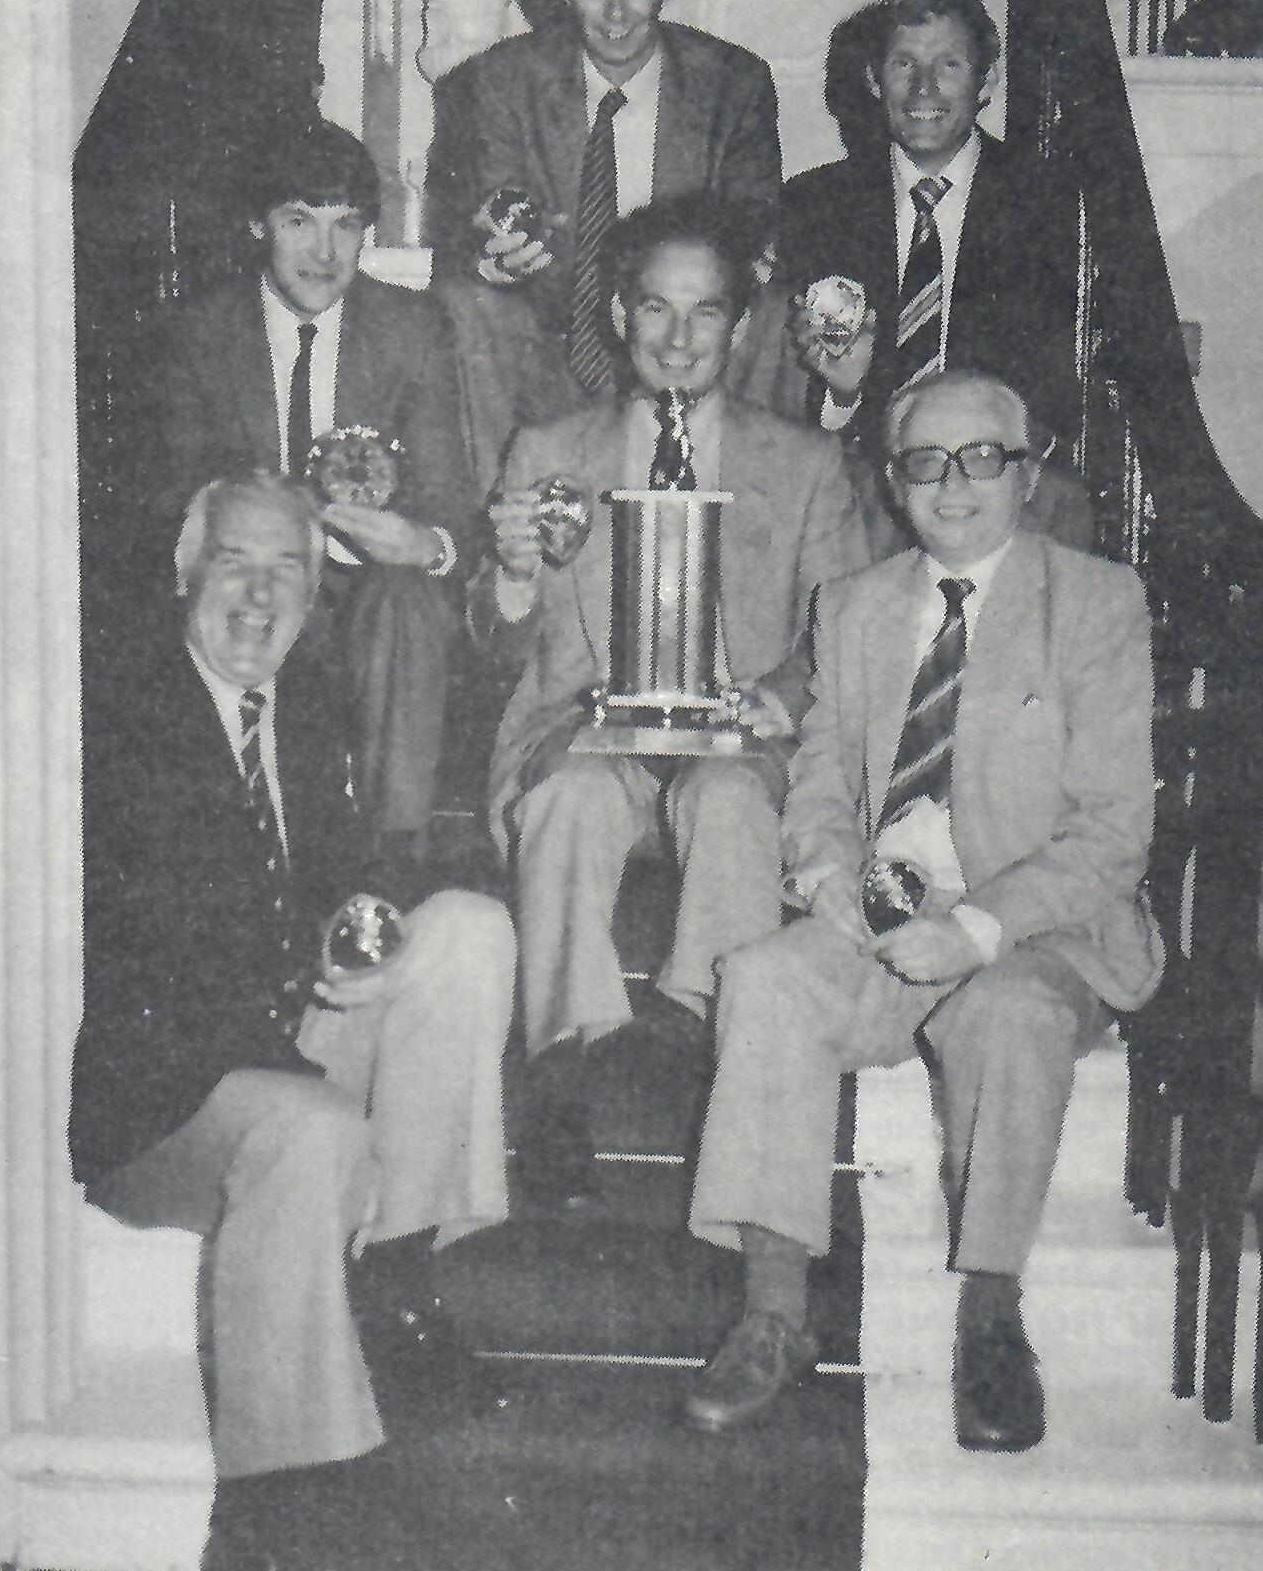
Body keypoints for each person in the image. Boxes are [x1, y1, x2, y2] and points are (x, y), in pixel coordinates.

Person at [684, 370, 1162, 1451]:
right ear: (894, 485)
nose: (953, 485)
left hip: (1039, 929)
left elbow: (1110, 833)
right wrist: (824, 874)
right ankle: (772, 1314)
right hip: (885, 913)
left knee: (1008, 1013)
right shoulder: (852, 606)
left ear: (1027, 475)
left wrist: (978, 929)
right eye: (924, 463)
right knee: (764, 980)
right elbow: (817, 779)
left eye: (982, 458)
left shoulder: (1096, 603)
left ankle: (991, 1317)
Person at [69, 473, 514, 1564]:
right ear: (186, 574)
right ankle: (277, 1496)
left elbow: (342, 874)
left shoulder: (301, 704)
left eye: (288, 572)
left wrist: (358, 928)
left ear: (317, 595)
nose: (261, 597)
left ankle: (395, 1270)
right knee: (311, 1127)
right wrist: (303, 970)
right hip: (165, 1100)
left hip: (279, 1035)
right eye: (236, 564)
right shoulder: (116, 714)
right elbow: (145, 942)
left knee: (464, 929)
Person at [468, 197, 867, 1204]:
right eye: (655, 308)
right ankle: (557, 1075)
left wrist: (780, 697)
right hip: (583, 726)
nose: (679, 337)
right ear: (618, 315)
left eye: (705, 312)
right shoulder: (548, 451)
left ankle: (704, 1043)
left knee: (730, 803)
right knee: (568, 799)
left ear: (742, 327)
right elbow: (498, 645)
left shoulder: (806, 465)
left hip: (736, 736)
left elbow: (848, 630)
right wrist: (511, 579)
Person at [163, 116, 474, 863]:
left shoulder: (412, 328)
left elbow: (451, 507)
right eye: (298, 222)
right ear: (257, 225)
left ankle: (391, 852)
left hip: (365, 595)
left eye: (347, 225)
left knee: (404, 601)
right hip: (253, 577)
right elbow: (177, 507)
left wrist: (425, 545)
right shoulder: (201, 334)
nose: (325, 253)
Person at [428, 0, 782, 493]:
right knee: (468, 302)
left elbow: (753, 225)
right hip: (550, 334)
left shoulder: (731, 83)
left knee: (771, 306)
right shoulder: (501, 81)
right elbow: (476, 217)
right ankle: (504, 520)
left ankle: (740, 506)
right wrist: (494, 258)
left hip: (680, 331)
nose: (616, 14)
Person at [776, 0, 1081, 464]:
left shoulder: (1051, 207)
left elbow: (1063, 390)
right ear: (874, 80)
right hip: (861, 474)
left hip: (1003, 474)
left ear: (986, 81)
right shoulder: (813, 205)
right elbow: (785, 394)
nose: (924, 87)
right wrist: (844, 396)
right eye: (904, 64)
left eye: (948, 65)